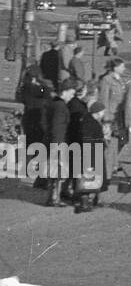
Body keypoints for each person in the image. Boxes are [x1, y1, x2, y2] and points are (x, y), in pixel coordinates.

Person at [41, 79, 75, 207]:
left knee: (53, 172)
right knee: (57, 173)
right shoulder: (61, 106)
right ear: (65, 92)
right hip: (58, 142)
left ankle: (52, 197)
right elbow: (58, 128)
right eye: (71, 93)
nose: (72, 96)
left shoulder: (54, 103)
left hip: (51, 140)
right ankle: (54, 198)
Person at [98, 58, 130, 179]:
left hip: (119, 116)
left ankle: (113, 166)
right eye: (122, 66)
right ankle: (108, 171)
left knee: (119, 142)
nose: (124, 68)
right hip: (110, 117)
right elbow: (103, 99)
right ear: (115, 67)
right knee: (110, 144)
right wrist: (105, 119)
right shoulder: (107, 80)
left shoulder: (120, 80)